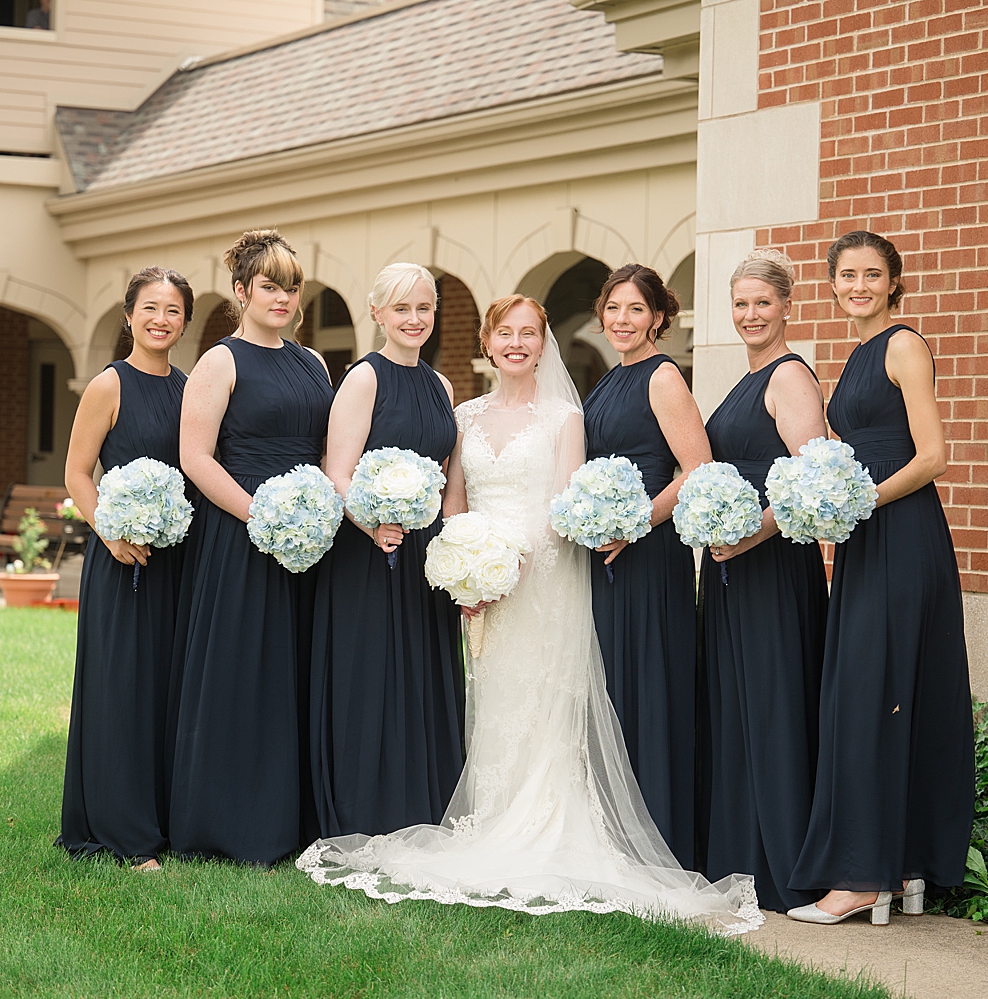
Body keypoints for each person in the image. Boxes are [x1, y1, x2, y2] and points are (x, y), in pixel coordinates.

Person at [298, 296, 761, 936]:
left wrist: (512, 562)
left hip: (544, 577)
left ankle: (549, 824)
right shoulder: (464, 414)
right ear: (487, 343)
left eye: (529, 334)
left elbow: (566, 502)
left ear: (543, 345)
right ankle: (491, 818)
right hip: (484, 579)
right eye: (505, 333)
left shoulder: (567, 416)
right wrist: (468, 564)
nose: (517, 343)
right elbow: (454, 495)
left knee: (547, 701)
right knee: (494, 700)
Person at [786, 230, 974, 925]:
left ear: (894, 283)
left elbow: (934, 455)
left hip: (904, 536)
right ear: (832, 284)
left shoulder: (902, 343)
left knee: (873, 696)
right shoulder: (857, 354)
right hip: (867, 540)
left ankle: (863, 878)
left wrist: (858, 498)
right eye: (846, 275)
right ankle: (900, 867)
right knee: (871, 694)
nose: (858, 285)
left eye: (872, 274)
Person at [167, 230, 334, 865]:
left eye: (292, 288)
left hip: (309, 541)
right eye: (269, 287)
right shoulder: (220, 361)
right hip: (238, 538)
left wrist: (315, 514)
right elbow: (194, 456)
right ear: (241, 291)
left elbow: (323, 451)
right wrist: (258, 513)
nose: (284, 299)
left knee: (298, 673)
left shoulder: (313, 364)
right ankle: (228, 826)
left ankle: (294, 822)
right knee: (242, 672)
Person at [310, 262, 464, 837]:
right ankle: (366, 811)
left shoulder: (442, 385)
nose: (415, 319)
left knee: (423, 673)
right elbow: (338, 471)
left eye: (424, 307)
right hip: (368, 551)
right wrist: (373, 523)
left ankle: (424, 806)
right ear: (378, 313)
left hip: (423, 551)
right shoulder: (363, 379)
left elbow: (448, 475)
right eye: (402, 308)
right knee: (373, 676)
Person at [699, 250, 829, 912]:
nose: (751, 314)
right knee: (734, 705)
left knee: (774, 702)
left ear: (786, 305)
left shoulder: (790, 377)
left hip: (772, 567)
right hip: (729, 568)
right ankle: (737, 858)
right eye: (741, 303)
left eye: (762, 302)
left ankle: (783, 864)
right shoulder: (745, 376)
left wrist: (747, 536)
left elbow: (811, 486)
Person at [58, 266, 192, 870]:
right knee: (123, 691)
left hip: (177, 563)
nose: (161, 319)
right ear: (129, 314)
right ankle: (123, 831)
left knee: (168, 691)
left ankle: (166, 819)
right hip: (122, 561)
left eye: (173, 310)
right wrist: (110, 533)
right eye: (151, 308)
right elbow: (77, 474)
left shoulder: (191, 388)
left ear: (185, 321)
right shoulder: (108, 386)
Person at [580, 264, 711, 871]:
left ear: (658, 316)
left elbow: (695, 469)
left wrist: (635, 525)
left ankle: (660, 840)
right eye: (612, 309)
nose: (621, 321)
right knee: (613, 689)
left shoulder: (662, 377)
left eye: (635, 310)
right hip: (608, 558)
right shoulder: (611, 380)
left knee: (650, 685)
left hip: (650, 556)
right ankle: (614, 836)